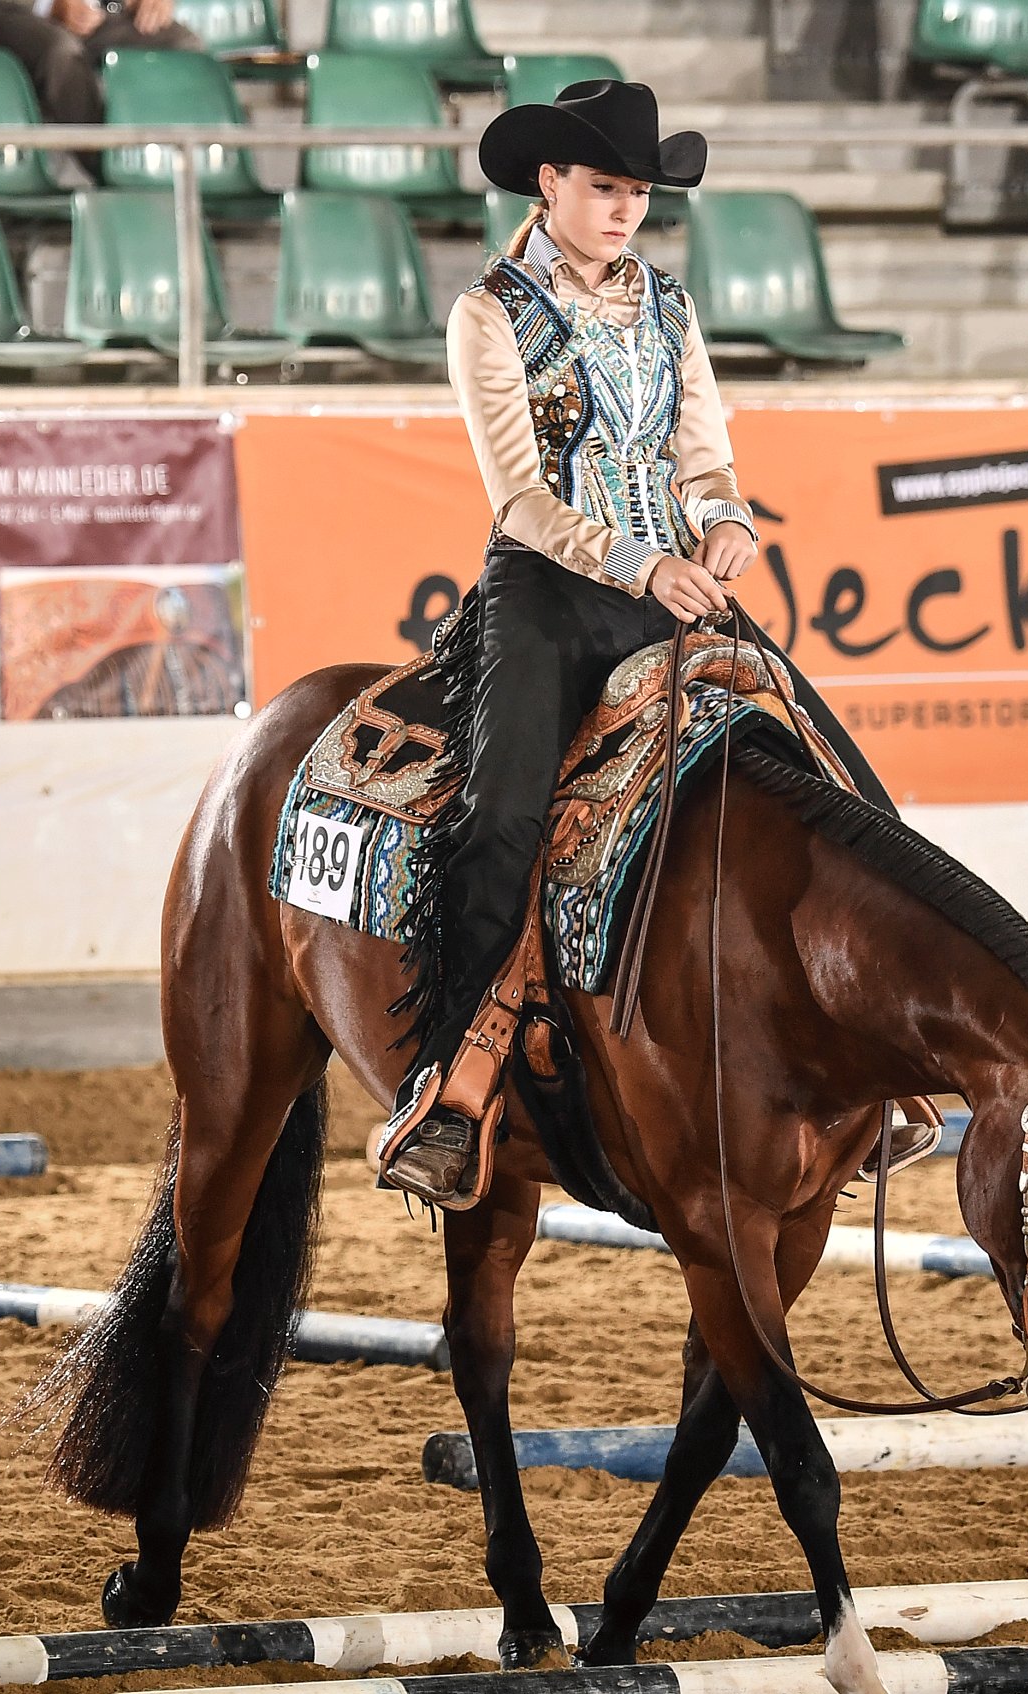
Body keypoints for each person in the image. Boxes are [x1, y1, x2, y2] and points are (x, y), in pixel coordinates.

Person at [372, 79, 906, 1210]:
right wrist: (639, 562)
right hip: (550, 595)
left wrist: (724, 523)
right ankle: (448, 1087)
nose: (625, 209)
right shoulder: (489, 313)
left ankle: (887, 1070)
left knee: (843, 777)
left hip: (675, 585)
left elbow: (705, 457)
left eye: (639, 192)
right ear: (550, 182)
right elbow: (517, 500)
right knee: (502, 815)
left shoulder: (670, 309)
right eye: (605, 187)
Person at [0, 0, 204, 127]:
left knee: (182, 43)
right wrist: (50, 5)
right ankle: (109, 164)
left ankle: (194, 172)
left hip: (91, 14)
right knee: (60, 53)